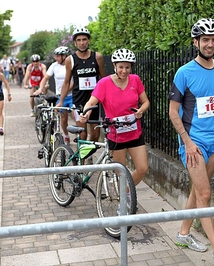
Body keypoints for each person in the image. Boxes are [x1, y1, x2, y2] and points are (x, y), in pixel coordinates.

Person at [168, 18, 214, 266]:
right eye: (205, 40)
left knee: (198, 191)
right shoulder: (184, 72)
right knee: (206, 193)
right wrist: (187, 142)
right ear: (196, 42)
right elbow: (172, 111)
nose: (210, 44)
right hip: (194, 143)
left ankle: (183, 233)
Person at [80, 48, 150, 203]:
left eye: (127, 67)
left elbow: (145, 102)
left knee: (142, 168)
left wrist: (140, 111)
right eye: (121, 67)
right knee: (121, 172)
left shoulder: (135, 80)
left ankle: (124, 192)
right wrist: (86, 113)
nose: (124, 71)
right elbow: (91, 102)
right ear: (114, 66)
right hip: (115, 134)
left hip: (134, 132)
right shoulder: (104, 83)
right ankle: (124, 202)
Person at [59, 27, 106, 141]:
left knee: (95, 135)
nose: (82, 43)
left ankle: (88, 154)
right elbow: (66, 82)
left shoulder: (97, 57)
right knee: (82, 134)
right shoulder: (71, 60)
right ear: (75, 42)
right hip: (78, 100)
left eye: (84, 39)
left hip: (94, 100)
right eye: (78, 40)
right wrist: (61, 101)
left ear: (88, 40)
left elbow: (104, 79)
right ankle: (81, 159)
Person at [34, 46, 73, 144]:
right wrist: (41, 88)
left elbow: (74, 81)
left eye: (58, 56)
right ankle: (66, 135)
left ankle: (79, 138)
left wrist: (66, 90)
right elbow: (45, 78)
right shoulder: (54, 66)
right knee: (63, 118)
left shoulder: (71, 64)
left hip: (72, 95)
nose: (56, 58)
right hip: (60, 96)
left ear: (64, 56)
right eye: (55, 56)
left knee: (76, 116)